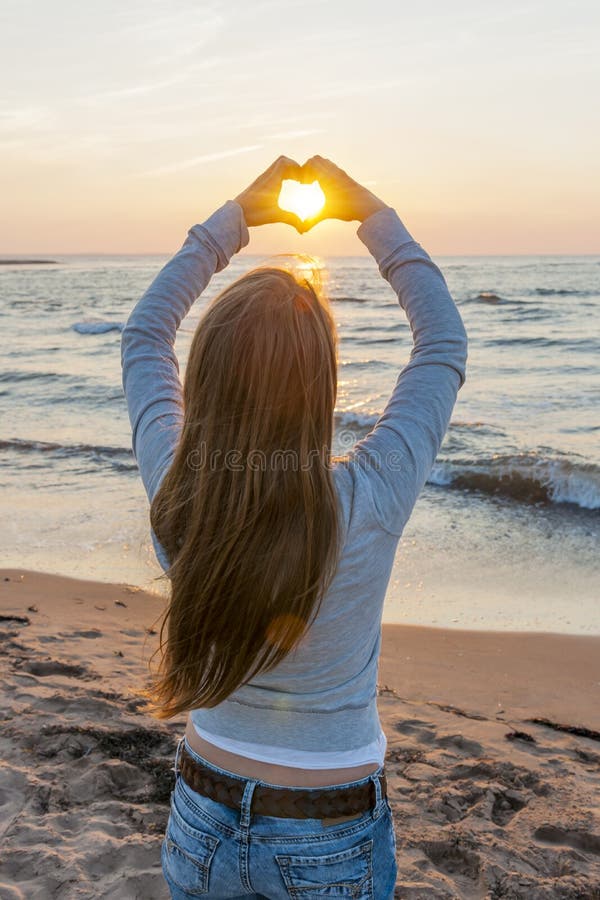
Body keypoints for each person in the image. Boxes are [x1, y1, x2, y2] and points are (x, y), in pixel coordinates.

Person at [121, 155, 468, 899]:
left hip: (201, 814)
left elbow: (145, 335)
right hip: (329, 832)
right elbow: (440, 344)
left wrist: (238, 218)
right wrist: (369, 211)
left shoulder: (180, 492)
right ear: (322, 387)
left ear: (207, 379)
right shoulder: (368, 498)